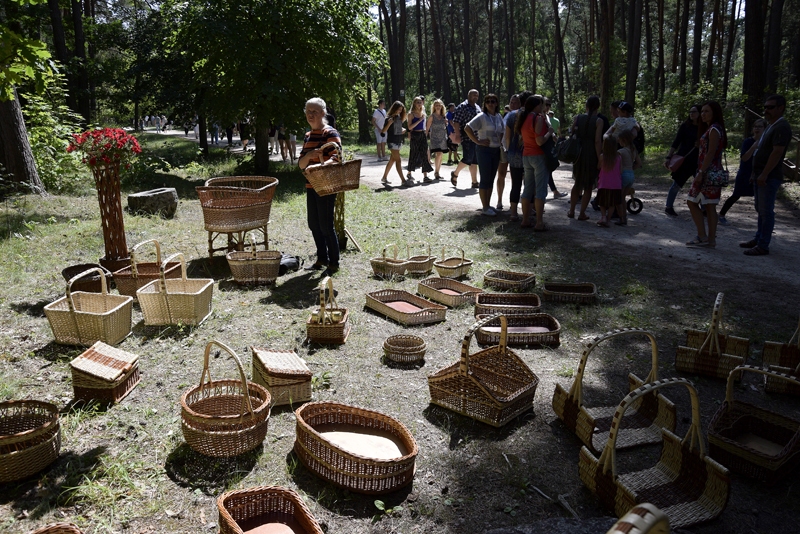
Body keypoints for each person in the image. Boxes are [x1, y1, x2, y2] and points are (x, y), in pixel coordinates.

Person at [741, 94, 793, 256]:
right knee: (760, 208)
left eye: (770, 107)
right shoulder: (771, 125)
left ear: (780, 108)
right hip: (760, 174)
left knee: (766, 211)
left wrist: (764, 174)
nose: (766, 110)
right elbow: (760, 150)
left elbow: (777, 153)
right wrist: (755, 173)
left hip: (769, 176)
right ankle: (758, 238)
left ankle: (763, 245)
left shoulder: (781, 127)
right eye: (765, 107)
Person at [298, 97, 341, 277]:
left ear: (323, 113)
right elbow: (301, 164)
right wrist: (310, 156)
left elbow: (337, 157)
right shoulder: (308, 135)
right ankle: (321, 258)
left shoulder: (329, 133)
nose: (310, 114)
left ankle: (334, 262)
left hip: (327, 185)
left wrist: (318, 165)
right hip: (311, 184)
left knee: (326, 225)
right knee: (313, 223)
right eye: (308, 111)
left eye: (314, 111)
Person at [686, 101, 727, 249]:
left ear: (714, 113)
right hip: (710, 171)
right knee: (709, 206)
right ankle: (710, 240)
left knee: (692, 201)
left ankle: (703, 236)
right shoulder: (712, 129)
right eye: (702, 111)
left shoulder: (714, 129)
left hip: (708, 173)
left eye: (706, 111)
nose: (703, 114)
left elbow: (710, 152)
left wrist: (701, 172)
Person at [718, 119, 766, 225]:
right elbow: (744, 158)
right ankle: (721, 215)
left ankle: (764, 222)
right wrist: (753, 147)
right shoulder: (748, 142)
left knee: (761, 199)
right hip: (745, 173)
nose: (757, 129)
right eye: (755, 127)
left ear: (765, 129)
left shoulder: (766, 143)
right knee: (736, 195)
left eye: (760, 127)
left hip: (758, 174)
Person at [516, 94, 553, 230]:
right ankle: (539, 223)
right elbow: (539, 140)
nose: (544, 107)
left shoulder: (524, 117)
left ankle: (525, 220)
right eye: (542, 104)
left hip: (526, 156)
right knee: (540, 190)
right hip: (538, 157)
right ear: (537, 105)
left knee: (528, 189)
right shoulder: (537, 118)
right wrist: (549, 132)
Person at [466, 93, 505, 216]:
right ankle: (485, 207)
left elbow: (503, 131)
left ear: (497, 103)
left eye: (493, 101)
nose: (490, 103)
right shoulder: (482, 116)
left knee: (491, 179)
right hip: (484, 151)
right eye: (488, 101)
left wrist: (500, 140)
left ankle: (488, 205)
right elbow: (468, 128)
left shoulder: (498, 116)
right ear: (485, 104)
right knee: (485, 179)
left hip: (495, 150)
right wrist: (478, 141)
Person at [568, 96, 603, 221]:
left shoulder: (578, 118)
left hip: (579, 153)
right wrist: (600, 158)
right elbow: (597, 141)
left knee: (577, 182)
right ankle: (581, 213)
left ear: (586, 106)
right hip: (591, 154)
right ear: (598, 107)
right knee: (588, 185)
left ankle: (571, 210)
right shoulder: (599, 121)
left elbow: (572, 132)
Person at [663, 105, 701, 216]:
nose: (691, 113)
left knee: (701, 184)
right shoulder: (685, 126)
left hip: (698, 160)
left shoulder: (704, 127)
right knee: (676, 184)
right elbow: (676, 142)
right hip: (684, 160)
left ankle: (704, 209)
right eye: (690, 111)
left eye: (694, 111)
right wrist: (668, 157)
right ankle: (668, 206)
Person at [504, 91, 532, 221]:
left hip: (514, 153)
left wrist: (510, 150)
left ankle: (513, 213)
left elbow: (507, 137)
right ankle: (529, 210)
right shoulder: (533, 116)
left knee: (516, 184)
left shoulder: (511, 115)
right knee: (529, 184)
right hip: (529, 153)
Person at [494, 94, 520, 212]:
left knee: (516, 177)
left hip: (516, 150)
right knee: (501, 174)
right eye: (511, 102)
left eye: (516, 102)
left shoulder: (522, 115)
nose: (513, 104)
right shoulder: (505, 116)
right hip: (504, 148)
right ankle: (499, 200)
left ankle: (513, 203)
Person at [451, 89, 481, 188]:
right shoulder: (462, 106)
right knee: (468, 158)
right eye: (473, 95)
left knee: (475, 160)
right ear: (468, 96)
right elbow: (456, 122)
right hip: (466, 136)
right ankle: (455, 173)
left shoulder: (477, 107)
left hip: (477, 137)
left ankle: (474, 182)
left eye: (477, 95)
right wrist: (458, 135)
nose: (475, 97)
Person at [616, 129, 641, 226]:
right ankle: (624, 217)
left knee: (618, 198)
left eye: (619, 139)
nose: (618, 141)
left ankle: (622, 218)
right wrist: (631, 169)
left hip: (623, 175)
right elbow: (639, 163)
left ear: (624, 140)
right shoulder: (633, 150)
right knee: (623, 198)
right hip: (631, 175)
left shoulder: (620, 151)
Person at [406, 96, 433, 184]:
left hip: (422, 134)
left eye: (420, 102)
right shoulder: (411, 114)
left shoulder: (423, 113)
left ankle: (425, 176)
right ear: (414, 103)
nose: (419, 104)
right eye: (417, 102)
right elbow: (409, 127)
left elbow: (425, 124)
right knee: (414, 153)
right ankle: (409, 172)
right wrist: (419, 120)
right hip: (415, 135)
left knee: (424, 154)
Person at [597, 136, 623, 228]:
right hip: (616, 184)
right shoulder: (618, 157)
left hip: (603, 183)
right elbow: (620, 170)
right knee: (612, 203)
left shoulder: (602, 157)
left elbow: (598, 167)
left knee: (602, 202)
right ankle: (608, 218)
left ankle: (603, 216)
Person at [380, 101, 408, 186]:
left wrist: (402, 129)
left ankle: (384, 177)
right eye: (398, 109)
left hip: (399, 141)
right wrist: (389, 123)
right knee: (398, 160)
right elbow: (383, 131)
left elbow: (398, 127)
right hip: (392, 142)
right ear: (394, 108)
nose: (399, 111)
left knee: (392, 160)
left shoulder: (399, 117)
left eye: (401, 110)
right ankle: (403, 180)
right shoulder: (388, 118)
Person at [544, 98, 566, 199]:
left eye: (549, 105)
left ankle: (554, 191)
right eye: (546, 104)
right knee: (546, 170)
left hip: (549, 146)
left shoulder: (547, 117)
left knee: (549, 169)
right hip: (541, 148)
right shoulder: (539, 116)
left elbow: (551, 130)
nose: (548, 107)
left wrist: (554, 137)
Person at [427, 99, 449, 180]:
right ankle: (436, 172)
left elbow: (446, 127)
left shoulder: (443, 116)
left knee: (441, 155)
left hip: (443, 138)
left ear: (442, 106)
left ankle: (438, 172)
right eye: (436, 105)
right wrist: (425, 137)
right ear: (434, 107)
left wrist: (446, 123)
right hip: (435, 137)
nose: (438, 106)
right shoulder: (432, 116)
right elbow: (427, 128)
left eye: (439, 105)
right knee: (438, 154)